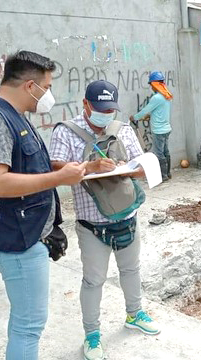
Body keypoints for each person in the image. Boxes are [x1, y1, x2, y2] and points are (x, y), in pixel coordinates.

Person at [0, 50, 87, 360]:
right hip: (13, 238)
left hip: (25, 231)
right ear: (30, 86)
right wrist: (59, 180)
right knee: (28, 325)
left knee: (25, 321)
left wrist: (79, 169)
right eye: (47, 86)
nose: (49, 95)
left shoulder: (14, 115)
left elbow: (30, 168)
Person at [50, 80, 160, 360]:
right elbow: (55, 166)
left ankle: (134, 314)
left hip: (127, 215)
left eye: (110, 109)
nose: (106, 115)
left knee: (131, 269)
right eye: (100, 109)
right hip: (92, 223)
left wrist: (131, 169)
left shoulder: (122, 129)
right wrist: (90, 166)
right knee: (93, 281)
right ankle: (92, 335)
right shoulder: (66, 132)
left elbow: (140, 162)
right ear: (85, 105)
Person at [129, 71, 173, 181]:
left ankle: (163, 176)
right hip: (166, 129)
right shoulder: (166, 95)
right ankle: (168, 173)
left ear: (154, 84)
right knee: (165, 151)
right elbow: (159, 112)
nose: (151, 87)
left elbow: (145, 110)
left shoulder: (157, 98)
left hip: (158, 130)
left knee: (159, 153)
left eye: (151, 85)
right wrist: (150, 117)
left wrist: (135, 117)